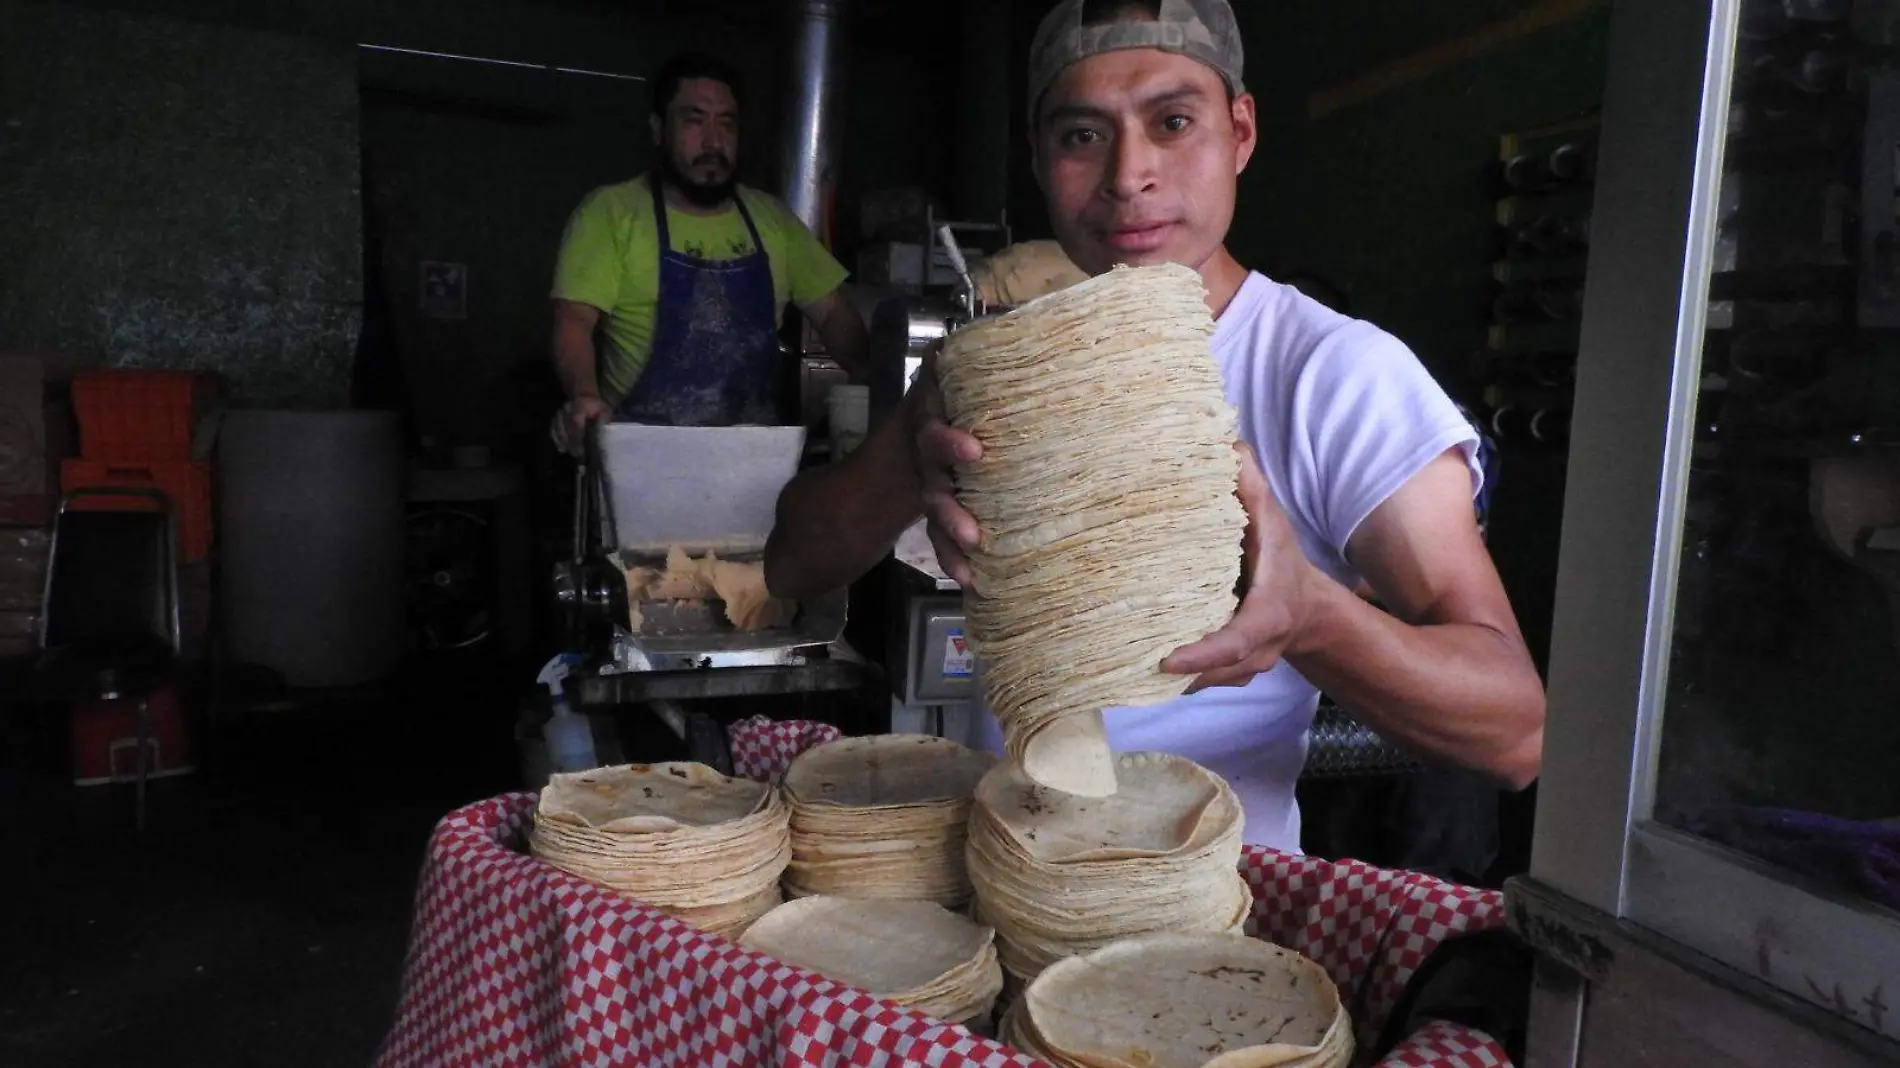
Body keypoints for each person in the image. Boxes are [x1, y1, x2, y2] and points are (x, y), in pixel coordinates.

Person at [764, 0, 1545, 850]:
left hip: (1207, 925)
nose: (1128, 175)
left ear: (1240, 132)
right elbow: (792, 566)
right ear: (1038, 156)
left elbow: (1514, 731)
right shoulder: (1004, 365)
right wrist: (904, 460)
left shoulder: (1330, 374)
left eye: (1173, 121)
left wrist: (1310, 618)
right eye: (1081, 136)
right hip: (1012, 881)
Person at [547, 51, 868, 453]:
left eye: (726, 124)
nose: (713, 141)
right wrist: (584, 397)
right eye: (694, 121)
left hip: (752, 463)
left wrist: (875, 379)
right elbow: (574, 319)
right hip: (640, 457)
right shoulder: (611, 213)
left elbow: (833, 312)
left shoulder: (771, 219)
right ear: (658, 128)